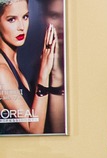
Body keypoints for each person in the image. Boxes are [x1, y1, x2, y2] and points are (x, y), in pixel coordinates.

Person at [0, 0, 64, 135]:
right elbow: (35, 130)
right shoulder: (1, 71)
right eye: (11, 19)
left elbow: (57, 129)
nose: (21, 27)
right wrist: (43, 75)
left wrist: (55, 73)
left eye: (25, 17)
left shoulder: (15, 65)